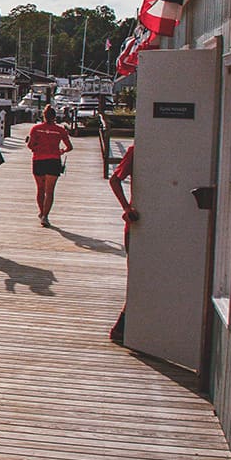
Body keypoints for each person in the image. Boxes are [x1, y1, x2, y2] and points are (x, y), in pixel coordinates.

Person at [108, 145, 137, 342]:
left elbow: (115, 179)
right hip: (138, 223)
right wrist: (126, 207)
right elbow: (115, 180)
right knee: (137, 275)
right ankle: (123, 325)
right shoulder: (137, 150)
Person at [26, 105, 73, 227]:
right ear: (55, 117)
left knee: (40, 189)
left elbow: (30, 145)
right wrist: (61, 151)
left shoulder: (36, 129)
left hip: (38, 160)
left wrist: (37, 148)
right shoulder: (60, 130)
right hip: (53, 161)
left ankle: (41, 212)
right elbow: (70, 147)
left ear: (44, 116)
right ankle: (45, 216)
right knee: (50, 191)